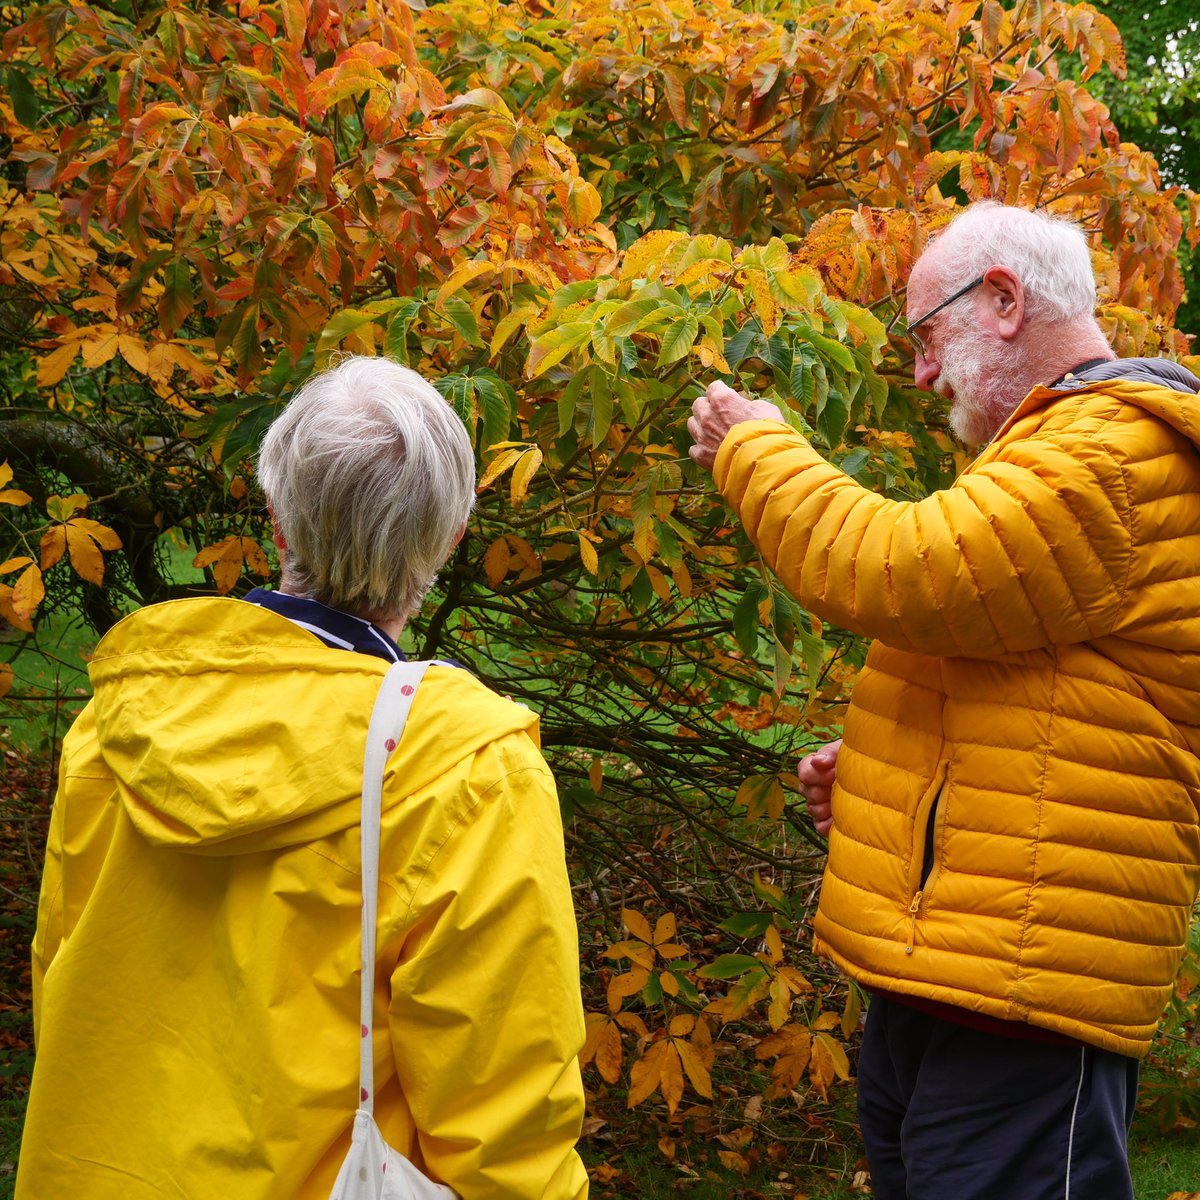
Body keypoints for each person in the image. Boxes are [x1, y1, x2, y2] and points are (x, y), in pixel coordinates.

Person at [688, 201, 1200, 1200]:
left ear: (1003, 300)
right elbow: (1028, 690)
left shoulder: (1109, 454)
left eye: (927, 337)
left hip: (1023, 1000)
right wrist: (888, 776)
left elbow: (901, 571)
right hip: (968, 977)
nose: (921, 374)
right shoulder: (1063, 448)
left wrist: (758, 451)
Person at [18, 355, 590, 1199]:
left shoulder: (123, 711)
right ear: (449, 537)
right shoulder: (463, 766)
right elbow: (503, 1105)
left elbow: (60, 975)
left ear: (279, 523)